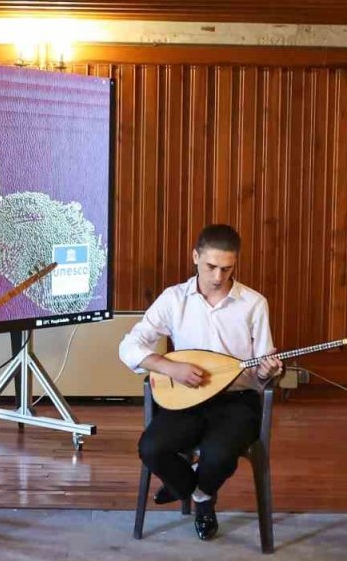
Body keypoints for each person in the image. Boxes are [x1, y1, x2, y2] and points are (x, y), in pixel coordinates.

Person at [119, 223, 282, 541]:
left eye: (227, 268)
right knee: (151, 448)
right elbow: (129, 346)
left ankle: (199, 497)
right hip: (186, 396)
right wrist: (170, 367)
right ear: (195, 257)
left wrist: (267, 371)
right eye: (211, 267)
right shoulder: (174, 299)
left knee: (219, 455)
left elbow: (261, 371)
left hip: (236, 401)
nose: (218, 276)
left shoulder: (253, 303)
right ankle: (198, 491)